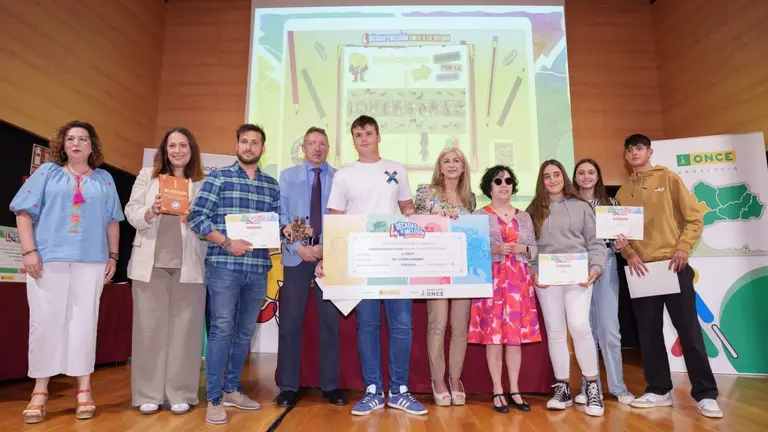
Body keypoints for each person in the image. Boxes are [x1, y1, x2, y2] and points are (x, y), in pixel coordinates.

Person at [11, 121, 124, 423]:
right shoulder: (47, 173)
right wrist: (29, 251)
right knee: (46, 320)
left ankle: (83, 389)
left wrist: (113, 255)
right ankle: (40, 391)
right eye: (70, 138)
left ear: (91, 146)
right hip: (48, 259)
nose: (76, 143)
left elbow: (113, 221)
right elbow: (23, 213)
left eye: (83, 139)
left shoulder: (104, 179)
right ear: (62, 144)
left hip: (93, 260)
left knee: (84, 322)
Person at [315, 115, 427, 416]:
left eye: (368, 133)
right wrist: (329, 256)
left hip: (395, 257)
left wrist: (425, 222)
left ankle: (400, 390)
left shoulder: (397, 169)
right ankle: (373, 390)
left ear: (378, 136)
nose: (363, 138)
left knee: (402, 324)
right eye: (357, 134)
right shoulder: (345, 175)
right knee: (368, 324)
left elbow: (407, 208)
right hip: (360, 259)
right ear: (353, 139)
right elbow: (335, 218)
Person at [616, 134, 722, 418]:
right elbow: (620, 236)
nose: (634, 152)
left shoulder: (670, 178)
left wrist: (683, 248)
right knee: (648, 335)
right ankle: (659, 389)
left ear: (649, 151)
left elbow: (694, 218)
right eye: (629, 150)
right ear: (625, 157)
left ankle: (706, 394)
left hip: (673, 267)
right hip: (641, 270)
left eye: (639, 147)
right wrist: (628, 253)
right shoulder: (622, 194)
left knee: (688, 331)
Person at [188, 123, 280, 425]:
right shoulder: (218, 178)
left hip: (257, 270)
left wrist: (287, 231)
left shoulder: (271, 185)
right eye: (244, 141)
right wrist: (228, 242)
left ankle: (231, 389)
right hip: (224, 267)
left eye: (255, 142)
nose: (250, 147)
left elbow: (275, 226)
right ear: (236, 146)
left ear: (262, 149)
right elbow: (196, 217)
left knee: (244, 333)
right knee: (222, 329)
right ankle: (214, 398)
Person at [125, 127, 207, 415]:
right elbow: (131, 211)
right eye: (172, 145)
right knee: (149, 330)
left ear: (191, 149)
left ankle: (181, 392)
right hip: (150, 265)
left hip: (190, 266)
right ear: (164, 149)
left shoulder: (203, 181)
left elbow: (210, 222)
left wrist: (193, 218)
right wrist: (152, 210)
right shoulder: (147, 175)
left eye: (183, 145)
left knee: (186, 331)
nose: (177, 150)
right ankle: (148, 393)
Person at [526, 159, 606, 417]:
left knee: (580, 326)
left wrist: (595, 268)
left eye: (556, 174)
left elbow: (595, 243)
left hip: (579, 276)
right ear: (542, 181)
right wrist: (533, 272)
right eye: (547, 176)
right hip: (547, 279)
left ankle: (593, 387)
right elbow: (530, 249)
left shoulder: (581, 207)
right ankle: (562, 387)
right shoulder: (533, 211)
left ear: (564, 177)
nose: (552, 179)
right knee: (556, 331)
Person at [276, 127, 346, 407]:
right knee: (291, 322)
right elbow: (281, 215)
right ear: (303, 147)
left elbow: (347, 218)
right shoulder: (287, 176)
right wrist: (298, 247)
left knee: (330, 323)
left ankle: (330, 386)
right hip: (297, 256)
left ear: (328, 148)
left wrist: (326, 251)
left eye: (322, 144)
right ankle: (289, 387)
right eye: (311, 143)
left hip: (331, 258)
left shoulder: (341, 178)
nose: (317, 148)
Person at [468, 165, 541, 413]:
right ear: (489, 187)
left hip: (518, 283)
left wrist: (524, 250)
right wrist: (497, 250)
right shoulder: (478, 215)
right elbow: (471, 249)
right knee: (494, 339)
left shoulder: (524, 216)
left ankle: (515, 390)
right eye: (498, 181)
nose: (504, 185)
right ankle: (498, 390)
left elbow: (534, 249)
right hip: (492, 282)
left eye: (508, 180)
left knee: (514, 340)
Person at [413, 148, 475, 407]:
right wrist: (437, 219)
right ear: (439, 167)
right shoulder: (425, 192)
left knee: (460, 328)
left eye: (456, 161)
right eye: (446, 161)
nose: (451, 165)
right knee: (437, 324)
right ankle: (437, 380)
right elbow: (414, 224)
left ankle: (455, 378)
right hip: (434, 268)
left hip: (462, 270)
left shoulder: (469, 198)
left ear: (463, 167)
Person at [571, 158, 635, 406]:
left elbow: (621, 241)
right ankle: (589, 388)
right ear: (575, 177)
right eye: (581, 173)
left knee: (609, 328)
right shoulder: (569, 204)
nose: (586, 176)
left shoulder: (612, 204)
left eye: (591, 172)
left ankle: (618, 387)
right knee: (585, 329)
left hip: (606, 264)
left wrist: (621, 246)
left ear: (598, 176)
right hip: (577, 266)